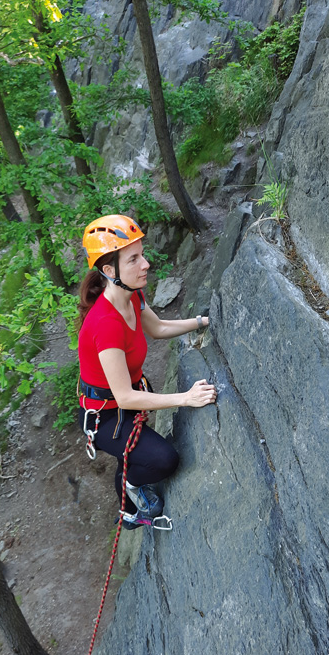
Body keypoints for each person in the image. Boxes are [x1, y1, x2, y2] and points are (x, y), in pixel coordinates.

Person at [77, 214, 217, 529]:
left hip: (124, 400)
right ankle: (130, 500)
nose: (146, 265)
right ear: (109, 271)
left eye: (142, 255)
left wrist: (202, 322)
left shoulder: (132, 295)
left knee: (143, 451)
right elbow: (125, 397)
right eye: (134, 259)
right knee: (165, 460)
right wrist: (187, 397)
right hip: (107, 418)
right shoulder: (106, 325)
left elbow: (158, 327)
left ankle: (129, 475)